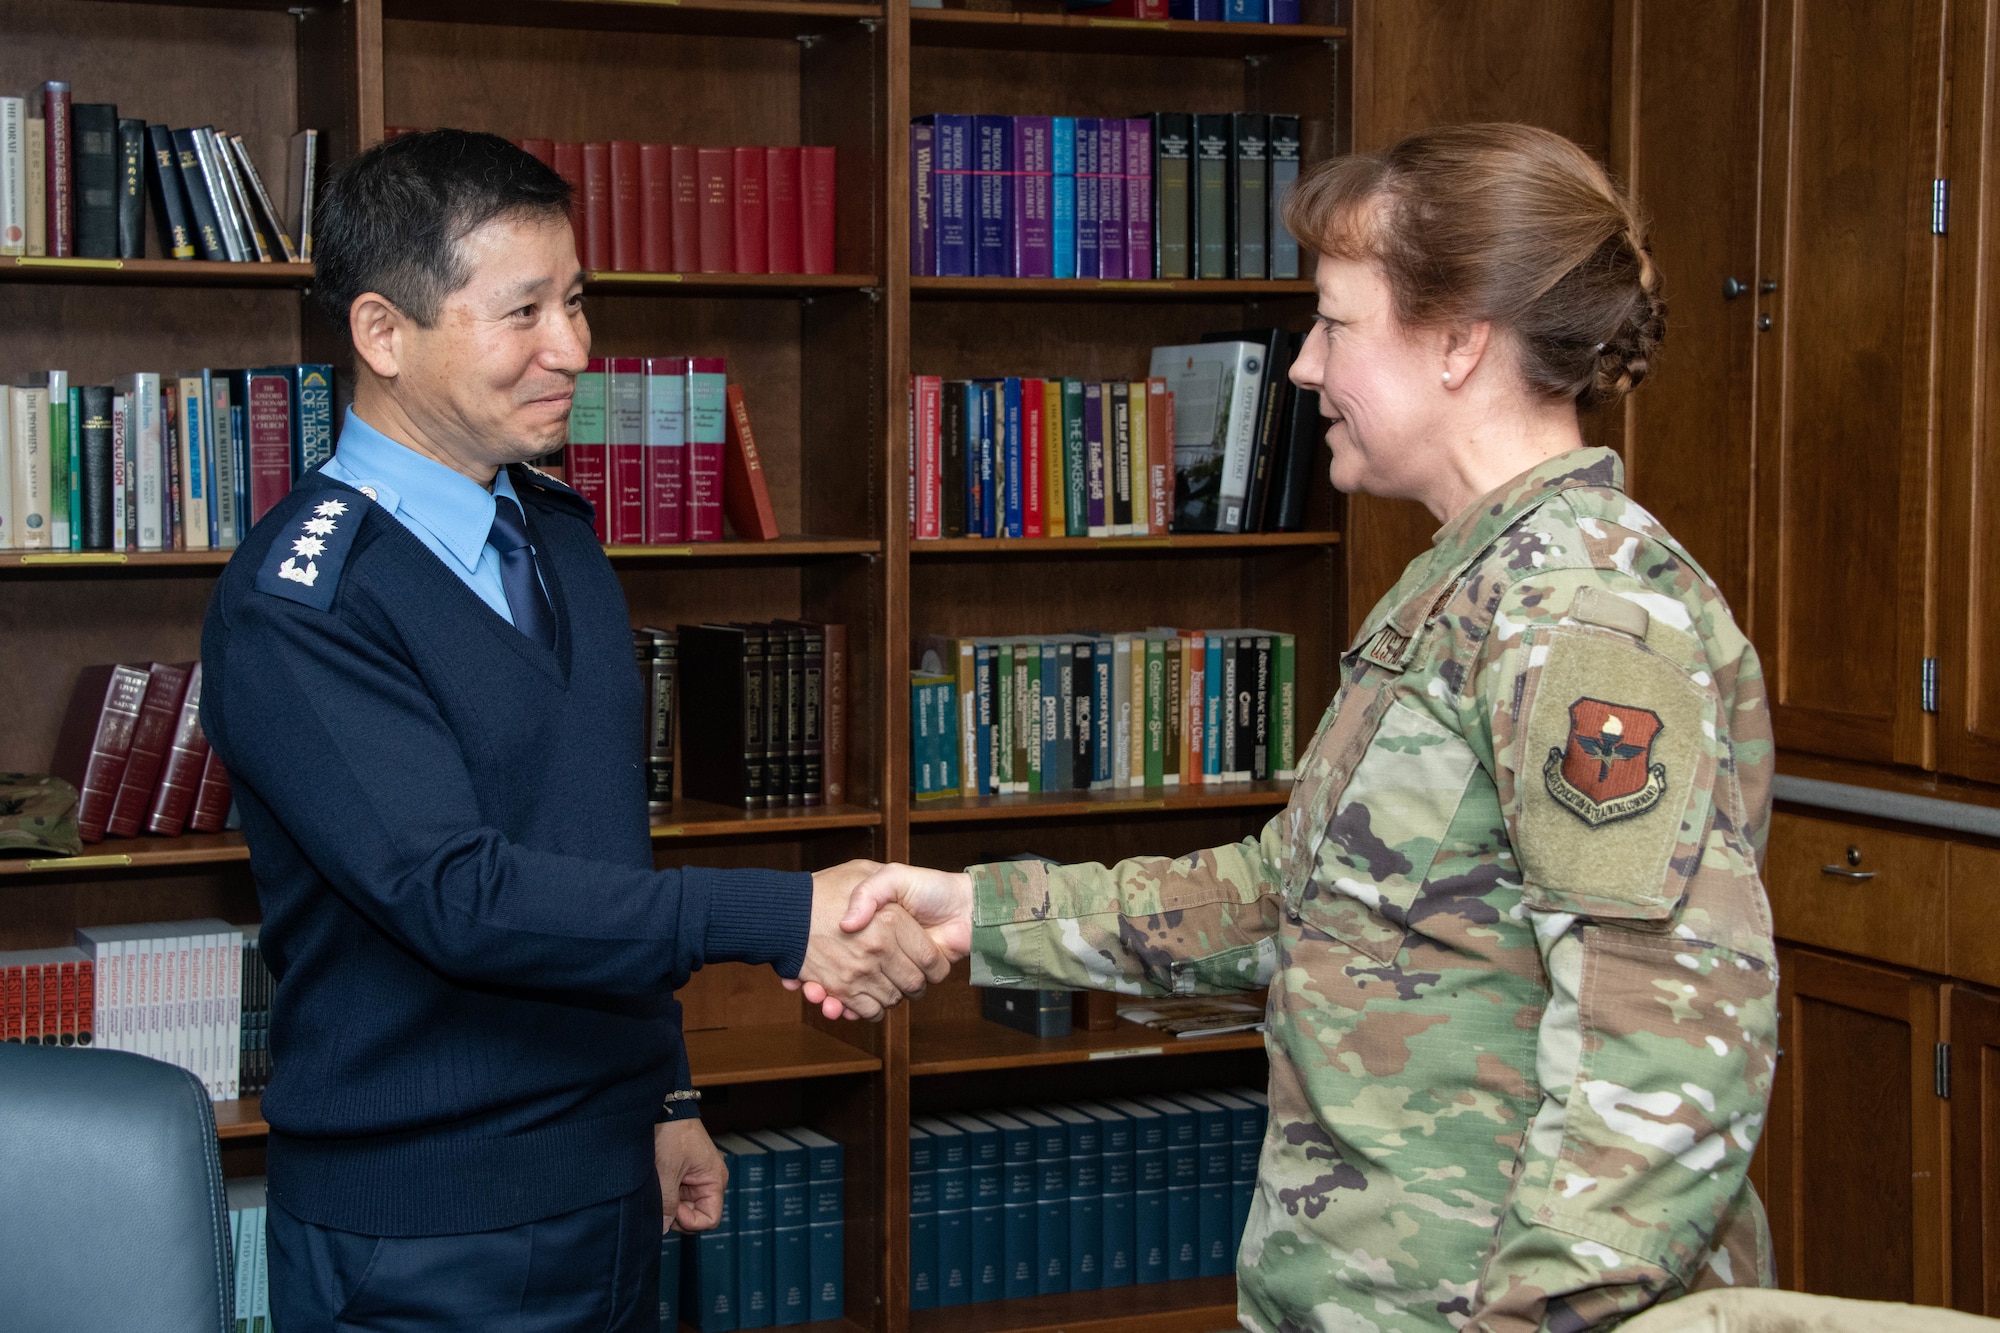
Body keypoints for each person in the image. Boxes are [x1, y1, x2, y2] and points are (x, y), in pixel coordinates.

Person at [827, 123, 1778, 1332]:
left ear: (1454, 341)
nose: (1302, 369)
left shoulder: (1583, 617)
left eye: (1334, 323)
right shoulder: (1461, 587)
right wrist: (979, 914)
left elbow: (1664, 1049)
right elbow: (1296, 900)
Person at [199, 130, 945, 1332]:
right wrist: (783, 914)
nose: (575, 350)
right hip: (421, 1234)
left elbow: (596, 852)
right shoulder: (299, 604)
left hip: (606, 1187)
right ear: (383, 334)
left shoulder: (553, 535)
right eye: (524, 311)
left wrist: (660, 1095)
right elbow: (456, 894)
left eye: (579, 299)